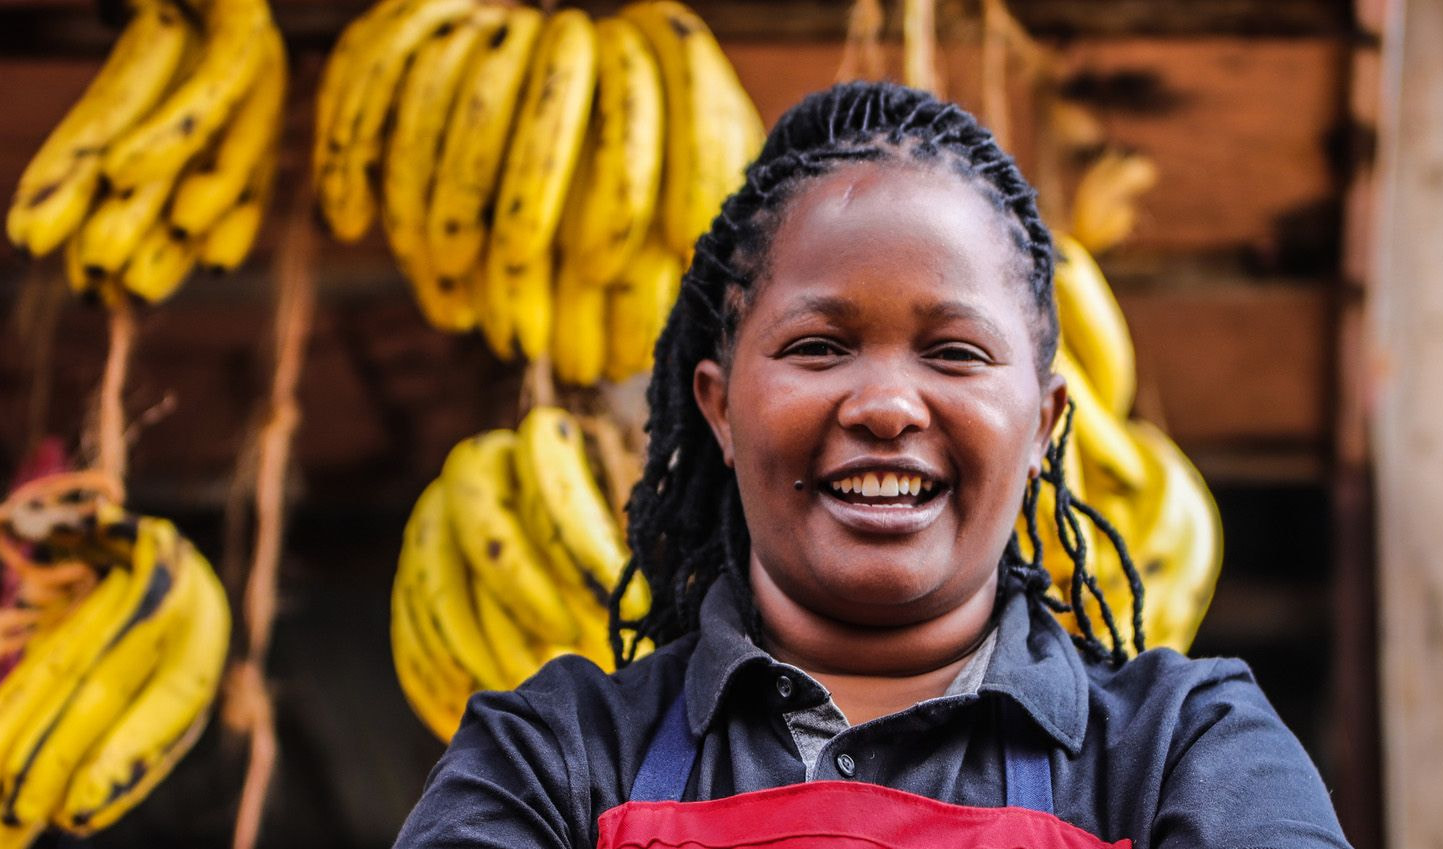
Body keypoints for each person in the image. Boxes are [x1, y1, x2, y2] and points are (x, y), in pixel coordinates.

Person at [393, 81, 1351, 849]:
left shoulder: (1182, 748)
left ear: (1044, 427)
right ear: (719, 408)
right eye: (817, 346)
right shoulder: (552, 754)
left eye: (954, 352)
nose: (886, 405)